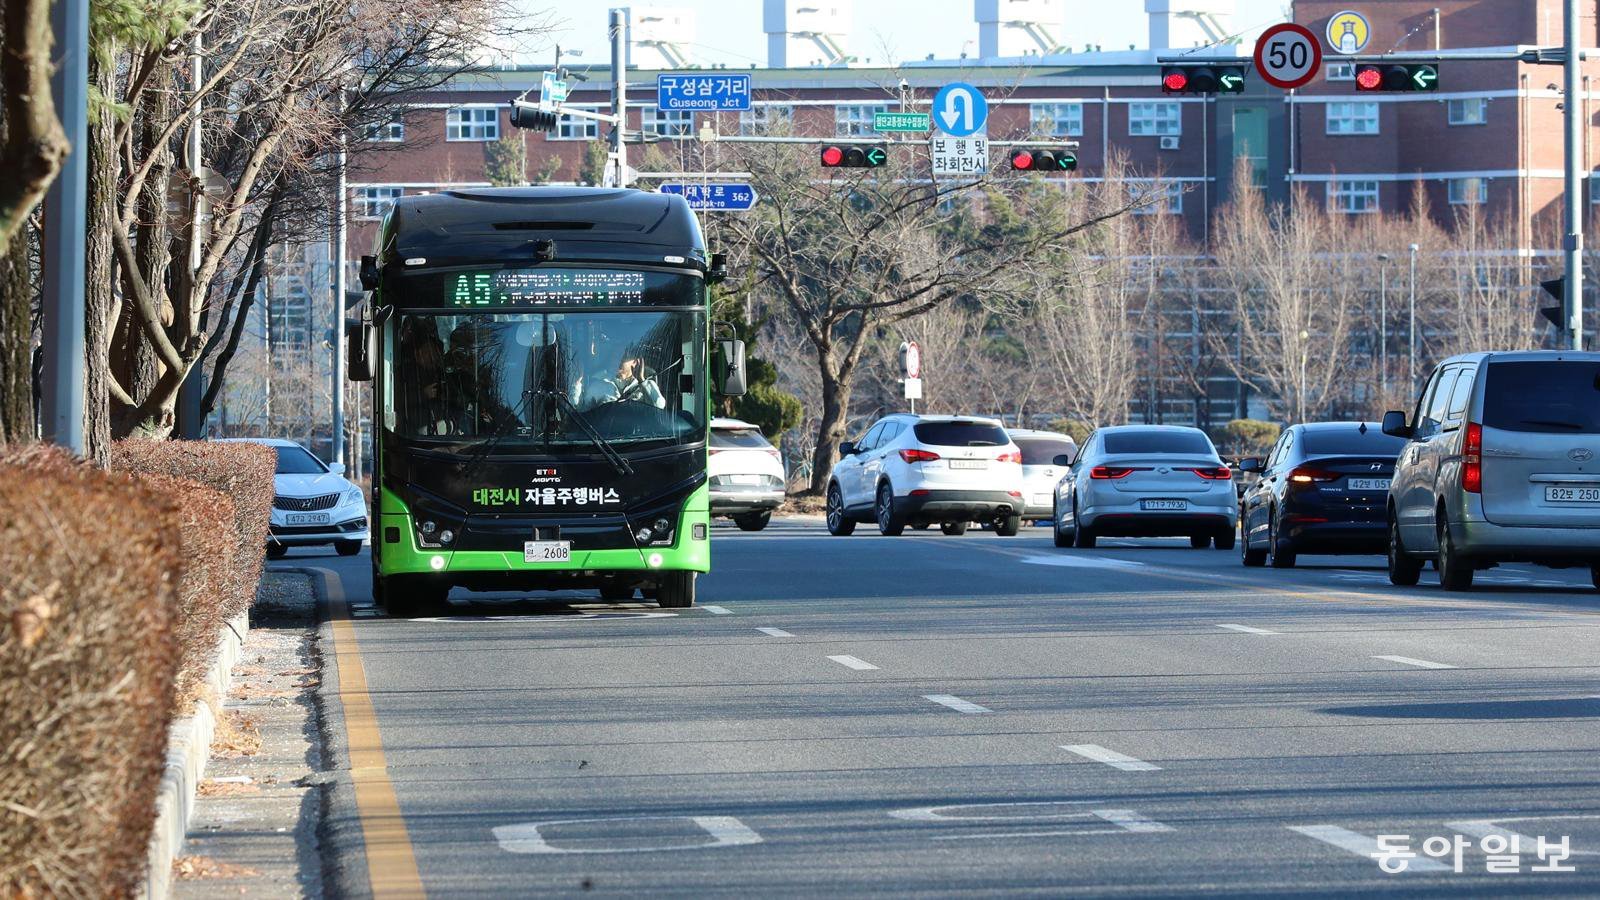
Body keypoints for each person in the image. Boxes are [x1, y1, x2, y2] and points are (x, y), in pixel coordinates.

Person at [571, 352, 666, 411]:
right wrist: (577, 383)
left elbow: (659, 406)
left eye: (622, 357)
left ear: (635, 362)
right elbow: (579, 411)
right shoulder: (598, 385)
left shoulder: (646, 385)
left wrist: (642, 380)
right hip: (605, 438)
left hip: (637, 438)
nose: (616, 361)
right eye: (614, 357)